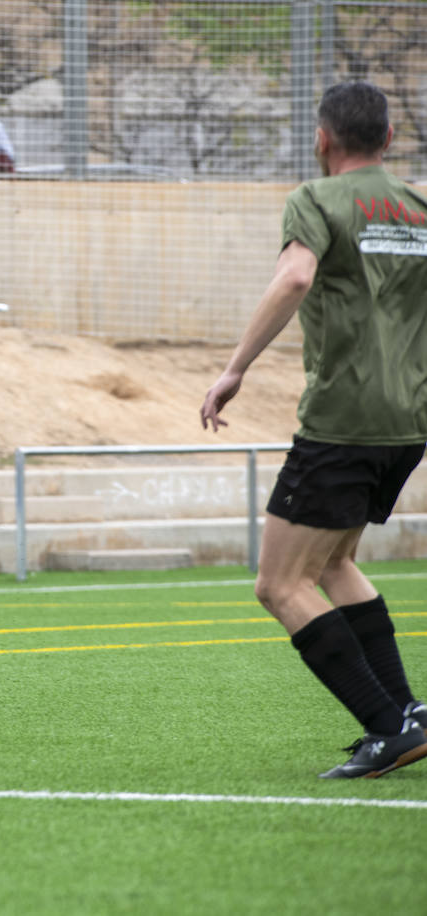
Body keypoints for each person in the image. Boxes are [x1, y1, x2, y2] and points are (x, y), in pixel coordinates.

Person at [200, 81, 427, 779]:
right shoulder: (419, 207)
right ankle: (409, 712)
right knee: (331, 564)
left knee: (278, 585)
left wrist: (235, 368)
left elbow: (295, 278)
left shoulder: (317, 199)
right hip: (408, 421)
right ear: (389, 140)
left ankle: (387, 726)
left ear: (322, 139)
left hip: (342, 421)